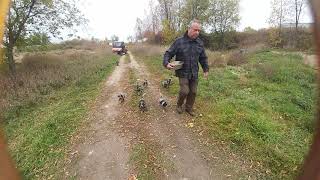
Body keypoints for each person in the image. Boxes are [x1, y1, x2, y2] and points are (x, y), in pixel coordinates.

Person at [163, 19, 209, 116]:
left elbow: (203, 58)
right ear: (189, 29)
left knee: (193, 92)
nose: (197, 32)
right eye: (195, 30)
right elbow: (169, 53)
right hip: (183, 72)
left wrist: (205, 69)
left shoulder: (199, 43)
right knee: (185, 91)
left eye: (199, 31)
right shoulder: (179, 42)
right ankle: (179, 105)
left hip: (194, 72)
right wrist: (166, 63)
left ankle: (189, 108)